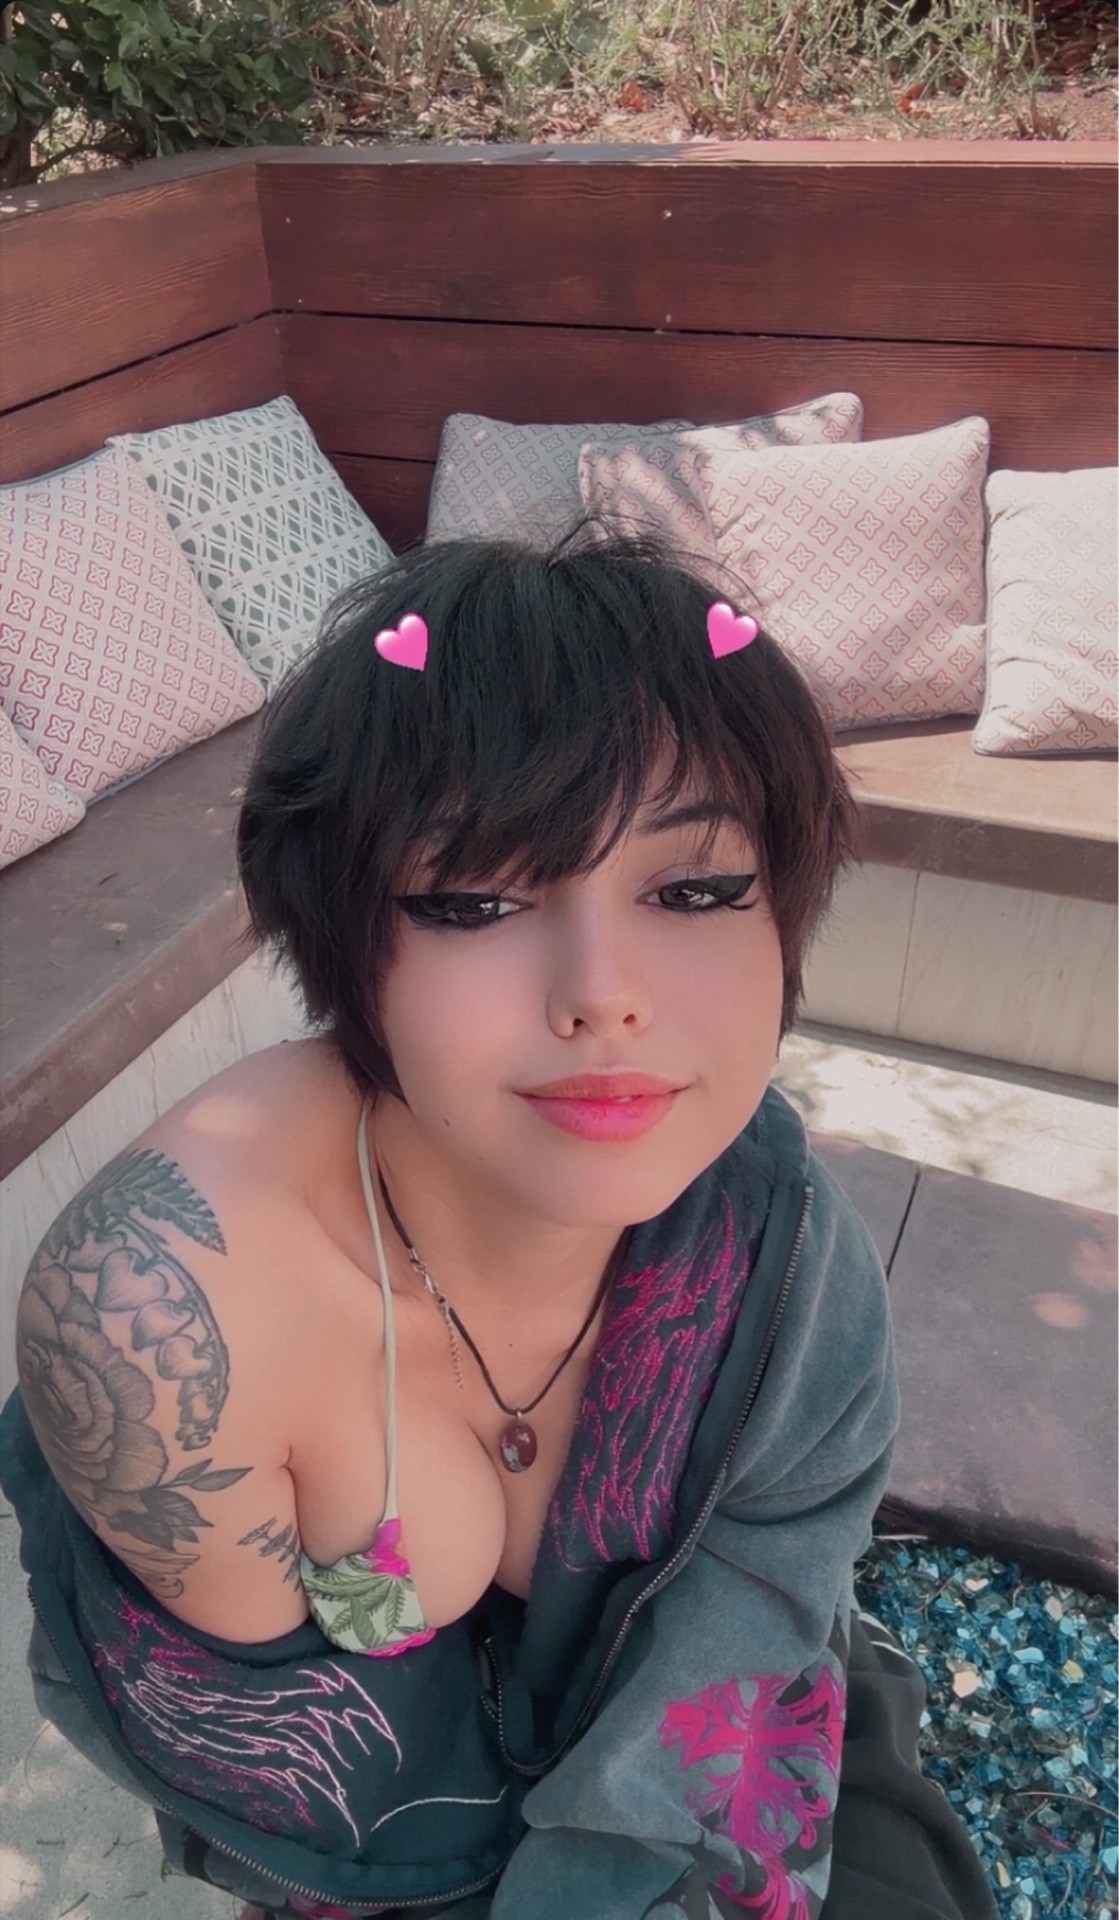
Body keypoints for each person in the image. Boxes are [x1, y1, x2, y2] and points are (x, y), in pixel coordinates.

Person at [0, 530, 998, 1920]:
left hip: (728, 1742)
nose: (602, 994)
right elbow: (298, 1782)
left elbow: (758, 1624)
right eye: (476, 898)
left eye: (695, 889)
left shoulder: (780, 1250)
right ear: (340, 939)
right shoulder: (169, 1317)